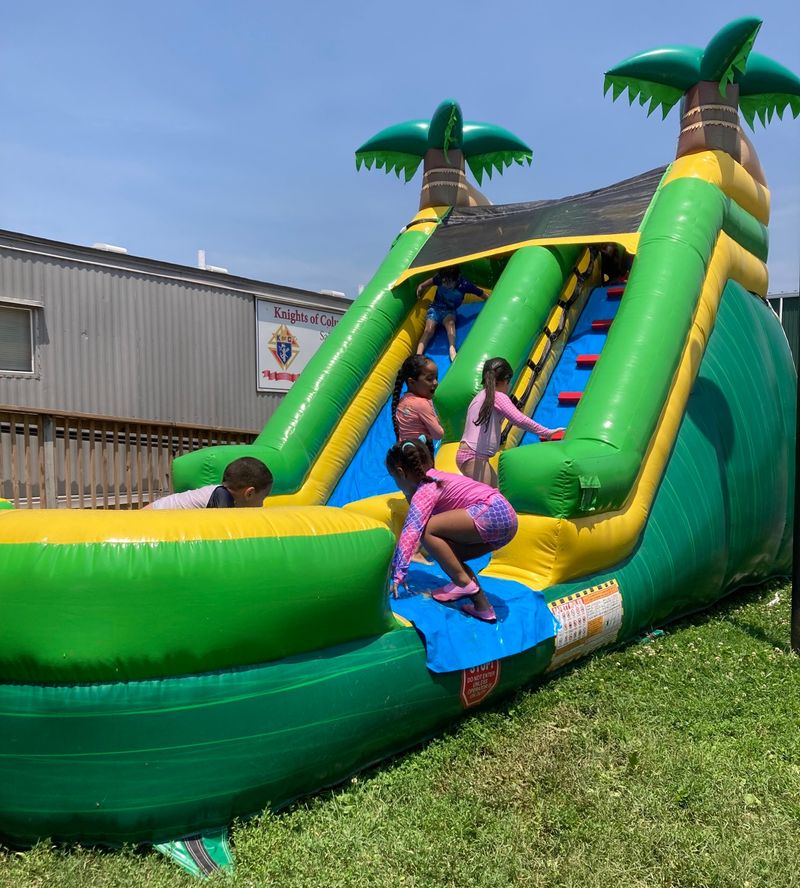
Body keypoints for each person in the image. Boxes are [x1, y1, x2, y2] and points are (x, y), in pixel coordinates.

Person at [386, 439, 519, 623]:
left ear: (401, 473)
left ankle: (462, 583)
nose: (397, 485)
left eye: (395, 479)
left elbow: (412, 529)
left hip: (490, 511)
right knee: (450, 555)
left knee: (426, 531)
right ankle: (483, 608)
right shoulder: (436, 478)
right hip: (507, 519)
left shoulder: (428, 488)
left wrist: (398, 572)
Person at [457, 357, 563, 487]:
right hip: (473, 457)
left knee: (495, 495)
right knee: (494, 498)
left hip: (470, 456)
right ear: (505, 381)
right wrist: (546, 432)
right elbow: (519, 419)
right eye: (509, 382)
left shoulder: (481, 396)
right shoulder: (497, 396)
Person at [415, 264, 488, 362]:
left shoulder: (465, 285)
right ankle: (418, 355)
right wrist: (421, 286)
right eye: (444, 281)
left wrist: (491, 300)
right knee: (428, 330)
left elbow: (481, 293)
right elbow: (430, 282)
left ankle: (452, 348)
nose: (445, 285)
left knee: (450, 324)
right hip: (435, 308)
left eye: (449, 282)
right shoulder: (440, 279)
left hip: (449, 311)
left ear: (457, 278)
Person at [146, 456, 272, 510]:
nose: (261, 505)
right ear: (249, 493)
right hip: (149, 518)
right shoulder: (222, 496)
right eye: (263, 498)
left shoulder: (219, 493)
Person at [392, 354, 444, 454]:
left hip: (405, 455)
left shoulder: (403, 401)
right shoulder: (421, 404)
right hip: (421, 456)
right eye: (429, 379)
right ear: (412, 382)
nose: (435, 383)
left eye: (436, 378)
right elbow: (438, 434)